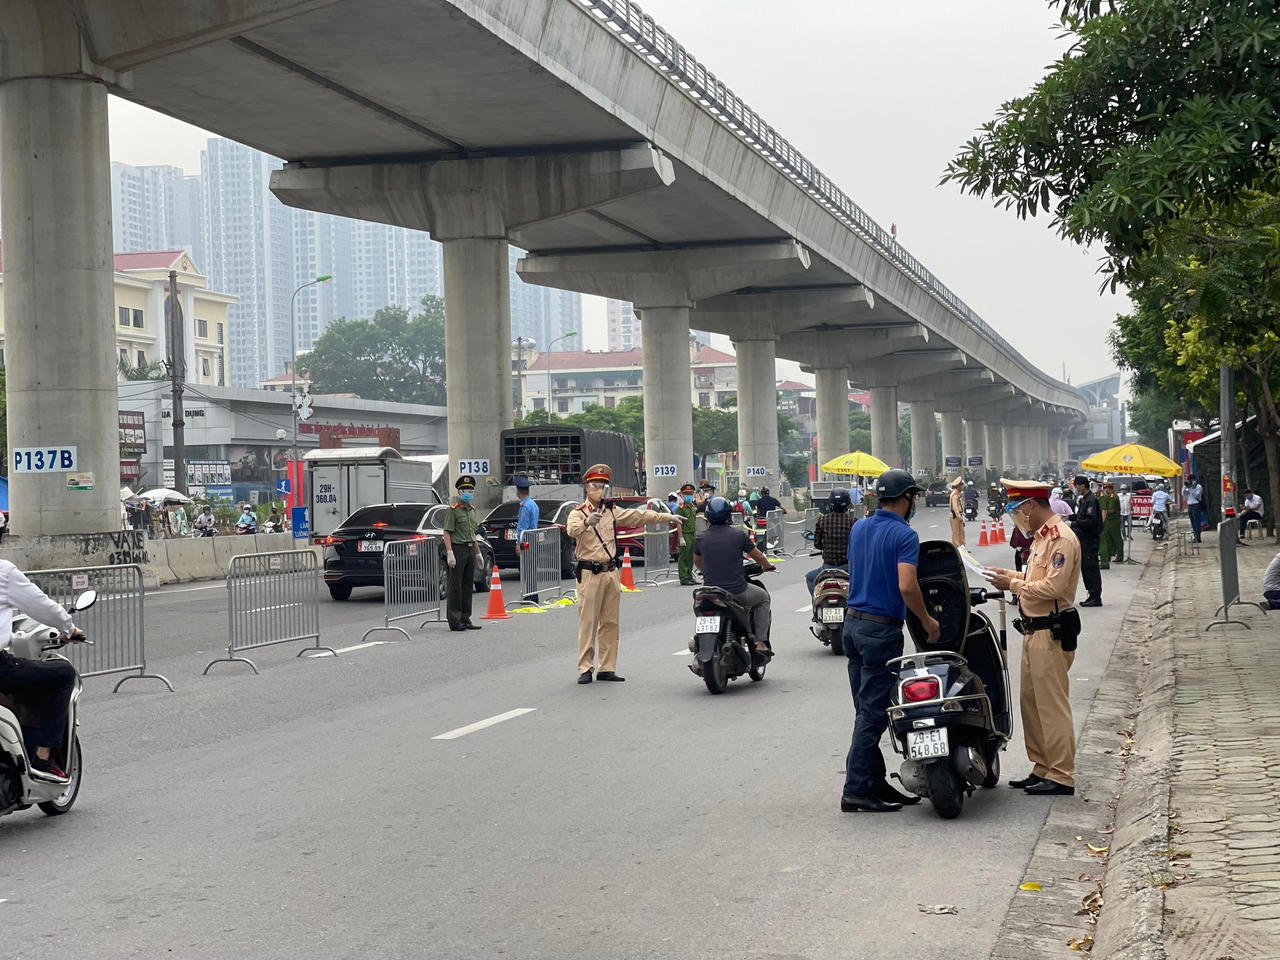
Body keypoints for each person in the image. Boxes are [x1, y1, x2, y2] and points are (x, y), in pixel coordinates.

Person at [840, 469, 940, 813]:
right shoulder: (904, 535)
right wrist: (928, 621)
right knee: (872, 713)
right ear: (907, 499)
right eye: (913, 498)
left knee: (865, 710)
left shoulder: (859, 527)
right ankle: (856, 789)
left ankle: (873, 780)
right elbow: (907, 586)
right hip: (880, 631)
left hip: (852, 626)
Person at [985, 480, 1083, 797]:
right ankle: (1042, 767)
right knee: (1032, 705)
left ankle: (1062, 774)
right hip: (1032, 630)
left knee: (1051, 706)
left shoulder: (1061, 540)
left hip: (1050, 631)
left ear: (1030, 506)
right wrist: (1008, 575)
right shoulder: (1041, 539)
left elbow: (1052, 588)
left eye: (1016, 509)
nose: (1016, 516)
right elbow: (1032, 579)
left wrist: (1012, 585)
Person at [565, 464, 680, 684]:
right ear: (587, 488)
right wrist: (588, 523)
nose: (600, 489)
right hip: (589, 572)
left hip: (610, 571)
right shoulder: (577, 513)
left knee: (610, 622)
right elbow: (572, 531)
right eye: (596, 485)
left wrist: (667, 518)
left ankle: (607, 667)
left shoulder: (612, 511)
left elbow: (638, 516)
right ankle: (585, 668)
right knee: (588, 622)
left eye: (603, 485)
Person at [0, 559, 87, 779]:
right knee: (64, 674)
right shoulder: (4, 572)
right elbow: (41, 606)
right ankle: (43, 756)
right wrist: (68, 628)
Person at [694, 497, 776, 655]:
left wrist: (706, 571)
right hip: (736, 591)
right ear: (729, 516)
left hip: (709, 591)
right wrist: (767, 566)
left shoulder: (701, 538)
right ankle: (759, 642)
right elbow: (758, 556)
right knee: (763, 598)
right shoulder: (738, 536)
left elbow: (697, 562)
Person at [442, 475, 484, 632]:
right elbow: (447, 532)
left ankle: (466, 618)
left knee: (467, 585)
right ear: (459, 492)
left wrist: (478, 553)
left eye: (471, 490)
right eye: (465, 490)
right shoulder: (453, 511)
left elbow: (472, 534)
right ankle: (454, 620)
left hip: (469, 549)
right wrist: (450, 552)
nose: (468, 493)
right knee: (455, 586)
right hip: (458, 549)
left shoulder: (472, 511)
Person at [806, 487, 855, 594]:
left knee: (810, 578)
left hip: (827, 567)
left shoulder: (822, 520)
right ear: (847, 505)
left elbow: (817, 544)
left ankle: (816, 600)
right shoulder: (853, 521)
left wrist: (826, 547)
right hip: (847, 567)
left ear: (831, 504)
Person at [1069, 475, 1103, 607]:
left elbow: (1090, 521)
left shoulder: (1091, 500)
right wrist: (1069, 517)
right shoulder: (1084, 500)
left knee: (1091, 568)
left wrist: (1073, 524)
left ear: (1082, 486)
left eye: (1076, 486)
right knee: (1085, 568)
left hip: (1090, 539)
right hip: (1083, 539)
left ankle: (1095, 597)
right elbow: (1081, 516)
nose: (1075, 488)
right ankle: (1091, 594)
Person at [514, 476, 541, 602]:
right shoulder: (533, 504)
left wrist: (518, 543)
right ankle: (533, 594)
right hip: (533, 539)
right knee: (532, 568)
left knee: (527, 568)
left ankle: (530, 595)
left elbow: (522, 526)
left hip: (526, 540)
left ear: (518, 491)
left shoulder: (525, 506)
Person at [676, 482, 699, 586]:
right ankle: (684, 578)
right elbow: (679, 523)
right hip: (685, 534)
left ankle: (689, 576)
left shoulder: (693, 508)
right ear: (683, 495)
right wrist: (681, 537)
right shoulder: (680, 509)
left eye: (691, 494)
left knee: (691, 557)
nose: (689, 496)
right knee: (684, 556)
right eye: (687, 494)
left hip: (692, 534)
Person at [1098, 482, 1121, 567]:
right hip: (1110, 520)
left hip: (1113, 520)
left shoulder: (1112, 497)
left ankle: (1118, 556)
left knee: (1115, 538)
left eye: (1106, 488)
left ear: (1109, 488)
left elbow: (1108, 510)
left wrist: (1101, 522)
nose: (1105, 489)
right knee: (1108, 540)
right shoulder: (1108, 496)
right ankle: (1107, 556)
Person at [1186, 474, 1206, 542]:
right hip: (1190, 506)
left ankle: (1198, 537)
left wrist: (1191, 488)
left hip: (1196, 506)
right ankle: (1195, 537)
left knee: (1197, 522)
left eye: (1191, 480)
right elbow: (1183, 493)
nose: (1190, 482)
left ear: (1194, 480)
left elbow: (1196, 495)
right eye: (1189, 480)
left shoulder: (1198, 487)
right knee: (1192, 522)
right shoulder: (1188, 486)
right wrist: (1185, 486)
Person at [948, 476, 966, 548]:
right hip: (955, 516)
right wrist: (959, 517)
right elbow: (955, 507)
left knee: (962, 532)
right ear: (959, 486)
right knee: (956, 533)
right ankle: (957, 548)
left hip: (959, 515)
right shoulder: (954, 495)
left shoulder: (958, 494)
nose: (963, 487)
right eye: (962, 485)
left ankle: (962, 548)